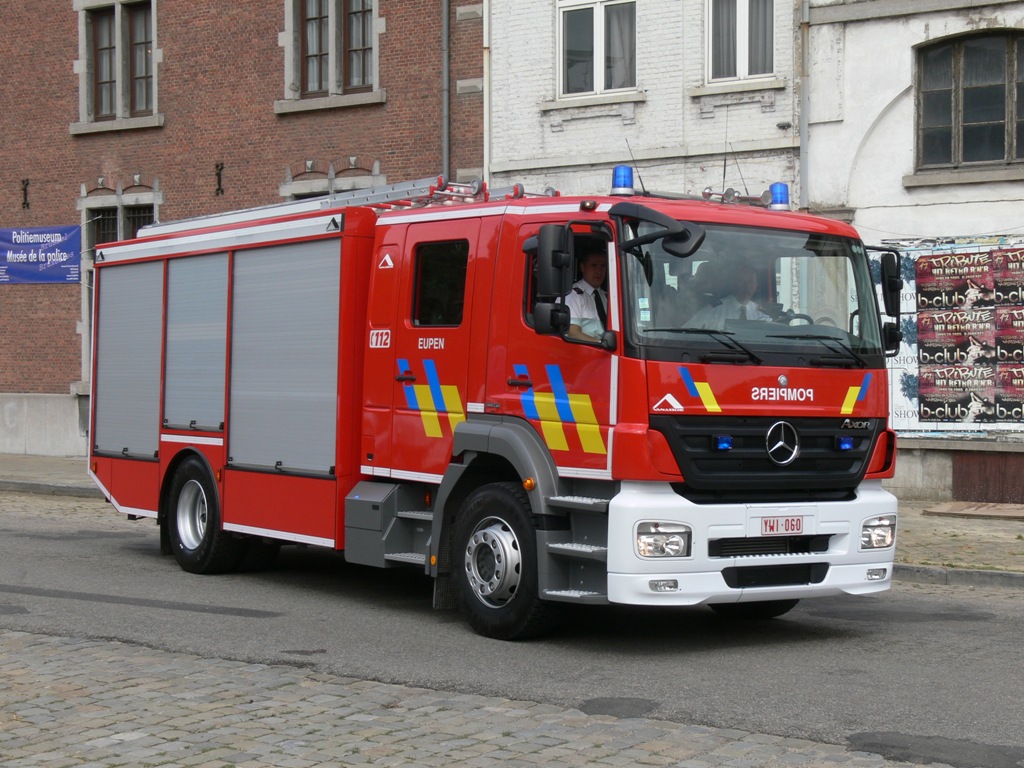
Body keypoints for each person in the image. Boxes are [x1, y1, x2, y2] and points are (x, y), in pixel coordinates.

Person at [686, 263, 770, 330]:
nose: (746, 286)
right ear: (733, 283)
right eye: (742, 281)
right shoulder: (714, 311)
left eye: (751, 282)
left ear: (756, 286)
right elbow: (686, 333)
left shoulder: (760, 314)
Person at [564, 250, 608, 342]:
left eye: (603, 266)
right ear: (582, 267)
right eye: (594, 266)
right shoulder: (572, 295)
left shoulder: (607, 297)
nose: (599, 271)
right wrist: (601, 344)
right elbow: (573, 333)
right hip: (587, 350)